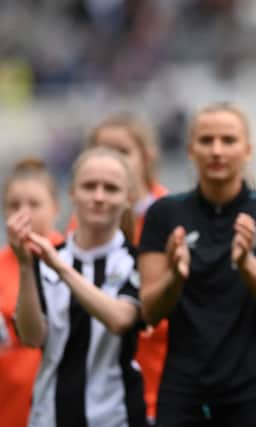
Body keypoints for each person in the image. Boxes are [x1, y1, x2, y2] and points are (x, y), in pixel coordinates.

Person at [138, 103, 256, 427]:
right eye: (206, 140)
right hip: (184, 387)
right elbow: (150, 311)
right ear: (190, 150)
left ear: (247, 150)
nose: (217, 150)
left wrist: (246, 264)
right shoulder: (164, 214)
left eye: (228, 140)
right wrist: (174, 276)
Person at [8, 147, 146, 427]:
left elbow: (120, 319)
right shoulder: (42, 260)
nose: (98, 196)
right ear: (72, 193)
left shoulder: (136, 260)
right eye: (89, 186)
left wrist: (61, 268)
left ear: (128, 198)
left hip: (116, 417)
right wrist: (24, 265)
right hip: (50, 416)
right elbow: (32, 337)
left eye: (110, 188)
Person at [70, 112, 169, 424]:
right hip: (93, 392)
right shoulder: (80, 224)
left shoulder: (171, 215)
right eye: (103, 151)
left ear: (146, 157)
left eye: (122, 151)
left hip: (159, 383)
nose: (111, 161)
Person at [0, 159, 63, 427]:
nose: (23, 214)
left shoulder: (71, 260)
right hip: (9, 409)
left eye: (34, 205)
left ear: (55, 208)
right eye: (14, 205)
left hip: (64, 405)